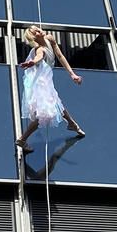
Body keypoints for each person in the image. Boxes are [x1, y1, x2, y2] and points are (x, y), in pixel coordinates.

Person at [15, 25, 86, 153]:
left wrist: (72, 74)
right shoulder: (39, 49)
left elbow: (60, 55)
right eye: (35, 31)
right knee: (44, 113)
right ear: (33, 37)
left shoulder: (50, 38)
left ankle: (72, 124)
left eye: (37, 28)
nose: (38, 30)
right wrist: (32, 62)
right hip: (41, 82)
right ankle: (22, 139)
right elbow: (39, 57)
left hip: (46, 79)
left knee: (56, 103)